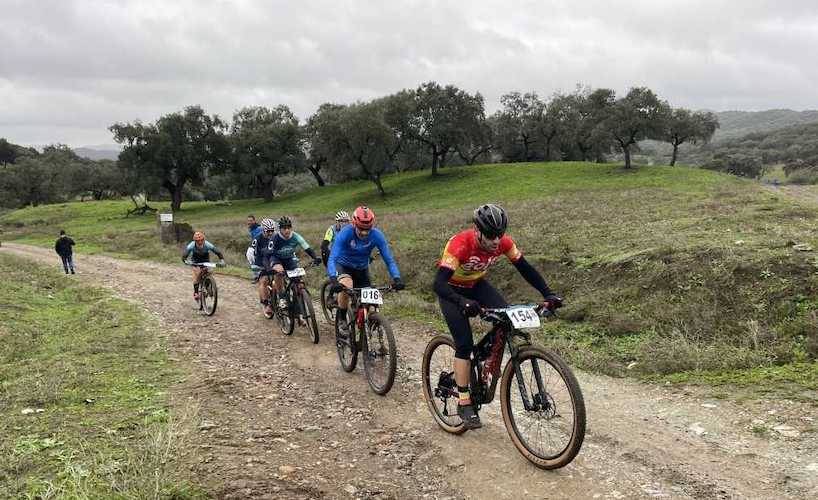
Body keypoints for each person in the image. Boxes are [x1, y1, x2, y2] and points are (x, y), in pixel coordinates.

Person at [432, 204, 562, 430]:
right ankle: (464, 401)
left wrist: (548, 293)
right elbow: (438, 284)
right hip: (451, 291)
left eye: (499, 234)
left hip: (476, 285)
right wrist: (461, 302)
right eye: (490, 235)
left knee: (507, 319)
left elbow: (525, 268)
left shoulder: (504, 243)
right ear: (477, 230)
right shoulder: (461, 244)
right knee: (463, 344)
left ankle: (487, 364)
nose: (495, 240)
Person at [327, 206, 405, 337]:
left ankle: (367, 329)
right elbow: (332, 257)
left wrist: (397, 278)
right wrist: (334, 279)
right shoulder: (345, 233)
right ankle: (341, 318)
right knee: (347, 285)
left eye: (367, 229)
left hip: (362, 268)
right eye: (361, 229)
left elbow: (389, 259)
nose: (364, 233)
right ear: (354, 224)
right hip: (344, 265)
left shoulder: (377, 235)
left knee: (371, 304)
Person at [259, 216, 322, 310]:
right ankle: (281, 298)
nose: (287, 231)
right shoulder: (275, 238)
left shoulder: (296, 236)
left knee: (298, 281)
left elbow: (307, 248)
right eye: (284, 228)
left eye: (289, 228)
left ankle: (298, 303)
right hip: (276, 259)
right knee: (279, 272)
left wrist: (315, 258)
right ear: (280, 229)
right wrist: (269, 269)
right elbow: (267, 255)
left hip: (289, 259)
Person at [181, 231, 225, 301]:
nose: (200, 242)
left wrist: (222, 260)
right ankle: (196, 292)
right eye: (198, 241)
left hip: (205, 260)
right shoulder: (191, 245)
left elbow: (218, 252)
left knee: (208, 272)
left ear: (204, 239)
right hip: (195, 261)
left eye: (201, 240)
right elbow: (184, 255)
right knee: (197, 274)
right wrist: (185, 261)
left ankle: (208, 285)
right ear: (195, 241)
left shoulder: (207, 244)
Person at [252, 218, 278, 317]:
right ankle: (266, 304)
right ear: (263, 230)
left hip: (272, 259)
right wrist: (254, 265)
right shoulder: (257, 239)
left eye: (272, 230)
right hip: (260, 261)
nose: (271, 233)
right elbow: (252, 253)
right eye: (268, 231)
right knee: (264, 280)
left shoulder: (276, 237)